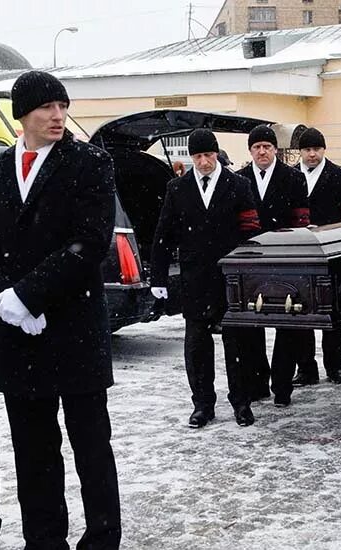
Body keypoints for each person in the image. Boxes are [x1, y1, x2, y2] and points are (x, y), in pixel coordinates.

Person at [0, 71, 121, 548]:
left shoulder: (90, 163)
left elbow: (90, 240)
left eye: (62, 106)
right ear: (23, 115)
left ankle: (101, 538)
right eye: (47, 108)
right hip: (19, 335)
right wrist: (4, 299)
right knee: (34, 451)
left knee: (91, 448)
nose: (58, 116)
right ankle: (44, 538)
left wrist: (29, 295)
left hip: (74, 328)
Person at [150, 129, 261, 428]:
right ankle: (202, 404)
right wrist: (158, 278)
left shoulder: (238, 185)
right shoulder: (178, 188)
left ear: (217, 153)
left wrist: (250, 275)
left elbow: (251, 233)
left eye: (208, 155)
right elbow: (163, 236)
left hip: (230, 279)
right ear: (191, 157)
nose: (203, 162)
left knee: (237, 344)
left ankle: (241, 402)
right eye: (197, 156)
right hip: (195, 279)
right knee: (197, 344)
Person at [236, 125, 310, 406]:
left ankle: (282, 386)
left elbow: (301, 220)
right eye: (257, 147)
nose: (262, 151)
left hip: (284, 260)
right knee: (252, 324)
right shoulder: (240, 179)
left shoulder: (293, 178)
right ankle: (257, 383)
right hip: (252, 261)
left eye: (267, 146)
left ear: (275, 149)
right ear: (251, 151)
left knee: (286, 322)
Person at [290, 128, 341, 387]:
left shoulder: (339, 175)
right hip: (300, 254)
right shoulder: (292, 175)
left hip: (331, 253)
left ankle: (334, 366)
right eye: (307, 150)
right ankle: (306, 368)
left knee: (332, 315)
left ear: (323, 150)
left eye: (316, 149)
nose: (311, 154)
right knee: (301, 313)